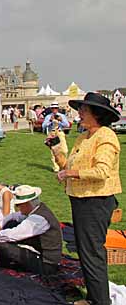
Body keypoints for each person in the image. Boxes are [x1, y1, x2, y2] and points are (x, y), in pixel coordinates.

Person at [52, 92, 121, 305]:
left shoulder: (106, 136)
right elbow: (69, 167)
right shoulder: (84, 136)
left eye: (84, 109)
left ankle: (100, 301)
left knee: (93, 254)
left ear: (96, 114)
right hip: (81, 200)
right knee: (86, 252)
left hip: (96, 202)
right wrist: (55, 150)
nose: (79, 113)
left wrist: (70, 174)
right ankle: (93, 298)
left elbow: (101, 171)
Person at [0, 185, 62, 276]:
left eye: (19, 205)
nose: (18, 207)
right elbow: (11, 217)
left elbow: (14, 234)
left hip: (46, 262)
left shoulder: (39, 219)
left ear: (27, 203)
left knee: (4, 247)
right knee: (10, 223)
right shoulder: (36, 209)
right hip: (39, 251)